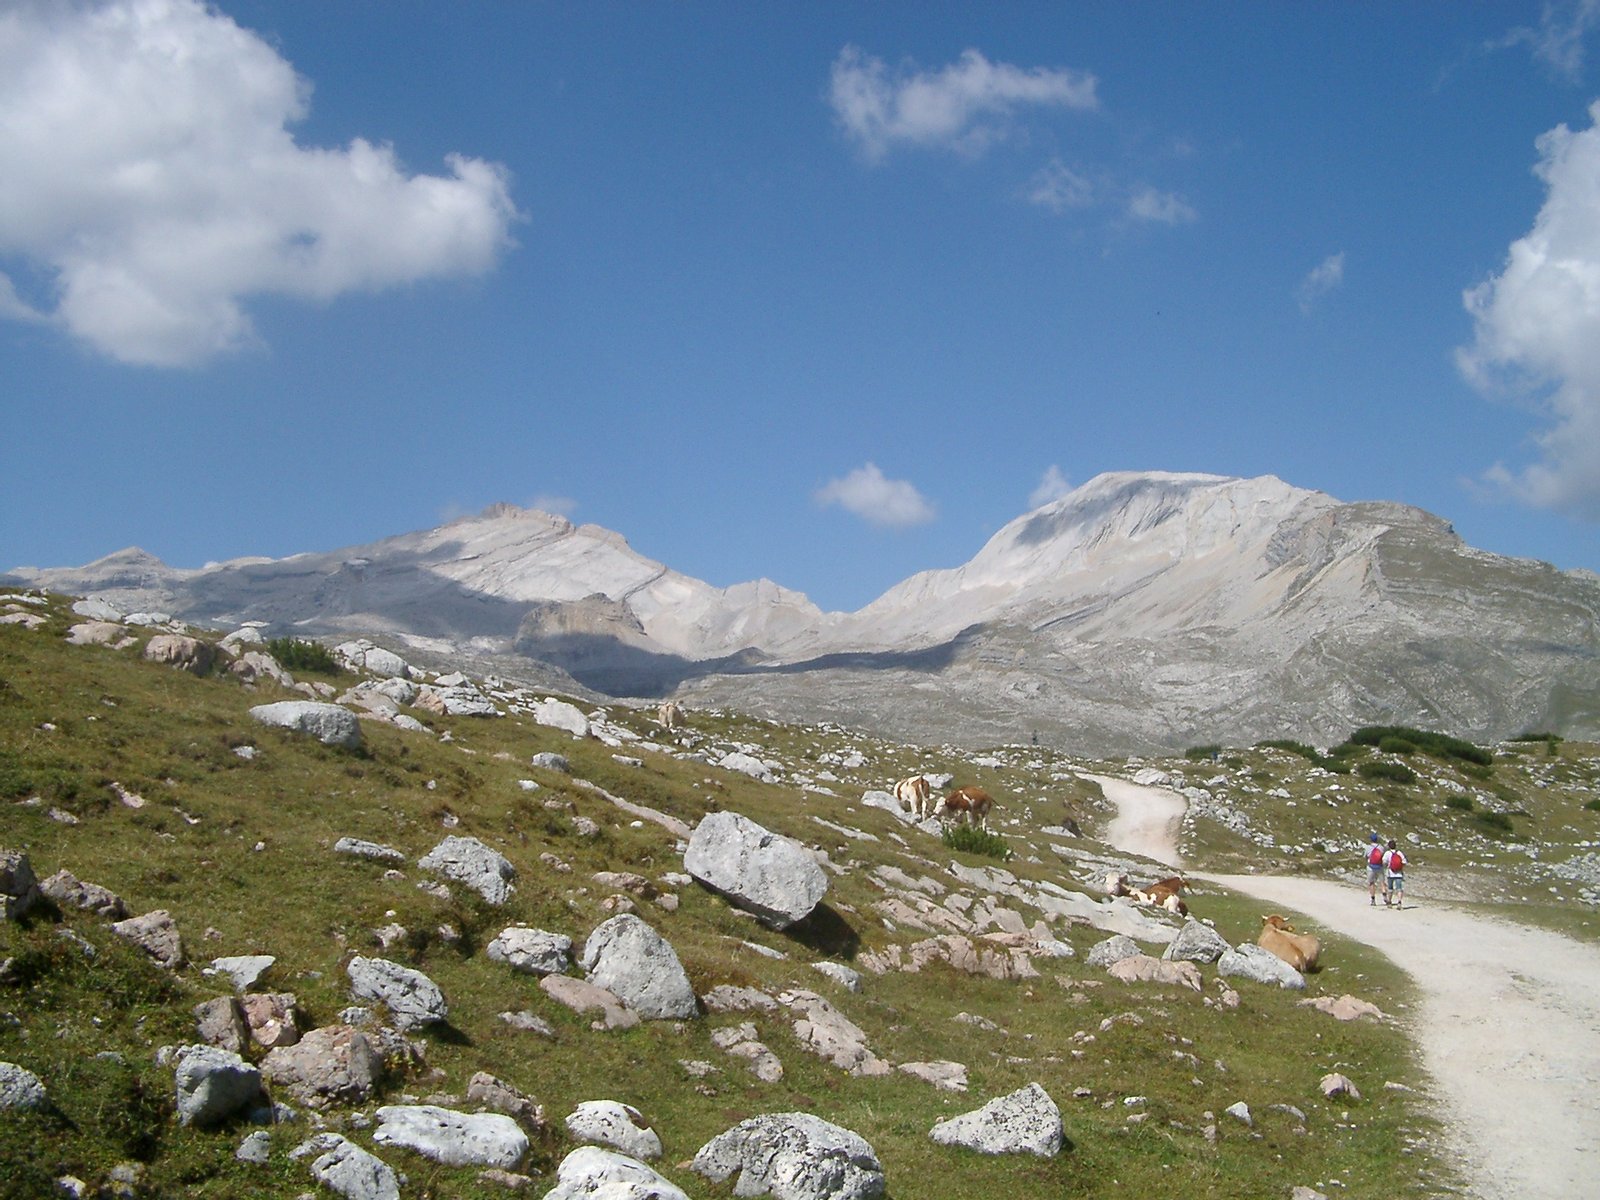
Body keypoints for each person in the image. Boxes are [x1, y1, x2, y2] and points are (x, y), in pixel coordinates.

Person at [1383, 838, 1407, 908]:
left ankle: (1389, 902)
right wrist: (1400, 867)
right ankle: (1399, 902)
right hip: (1399, 873)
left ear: (1389, 846)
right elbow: (1404, 862)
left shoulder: (1387, 853)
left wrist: (1387, 866)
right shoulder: (1399, 853)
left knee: (1390, 888)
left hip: (1390, 873)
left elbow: (1384, 862)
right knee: (1399, 888)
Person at [1364, 833, 1386, 906]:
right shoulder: (1381, 847)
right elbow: (1383, 856)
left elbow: (1365, 856)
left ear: (1371, 839)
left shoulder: (1368, 847)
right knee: (1382, 882)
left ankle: (1373, 899)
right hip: (1380, 866)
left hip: (1371, 867)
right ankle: (1384, 895)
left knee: (1371, 883)